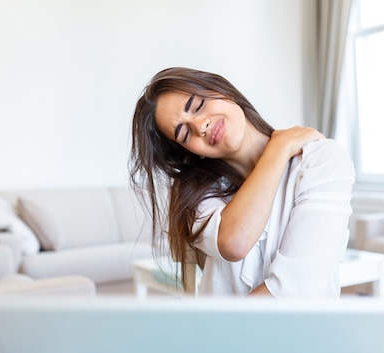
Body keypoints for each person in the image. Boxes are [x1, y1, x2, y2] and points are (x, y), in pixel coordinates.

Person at [130, 67, 355, 297]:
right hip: (221, 331)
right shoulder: (198, 197)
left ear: (222, 89)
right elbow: (235, 243)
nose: (200, 126)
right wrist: (279, 148)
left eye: (198, 105)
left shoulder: (321, 160)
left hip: (279, 332)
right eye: (184, 134)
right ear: (192, 152)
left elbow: (296, 289)